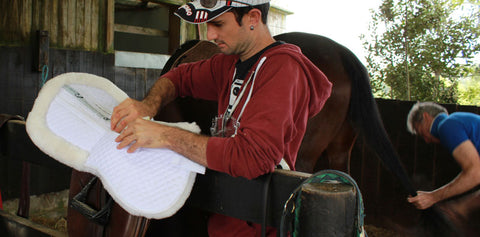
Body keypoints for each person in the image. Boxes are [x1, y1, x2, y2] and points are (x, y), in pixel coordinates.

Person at [110, 0, 332, 236]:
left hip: (257, 222)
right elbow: (180, 77)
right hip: (224, 218)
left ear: (253, 18)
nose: (210, 34)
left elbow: (252, 157)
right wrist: (149, 105)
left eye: (218, 23)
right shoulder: (231, 63)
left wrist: (164, 135)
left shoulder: (283, 69)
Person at [406, 102, 480, 210]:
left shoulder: (447, 125)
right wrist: (461, 208)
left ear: (426, 117)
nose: (426, 140)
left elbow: (475, 173)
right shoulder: (458, 120)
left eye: (421, 132)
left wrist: (432, 197)